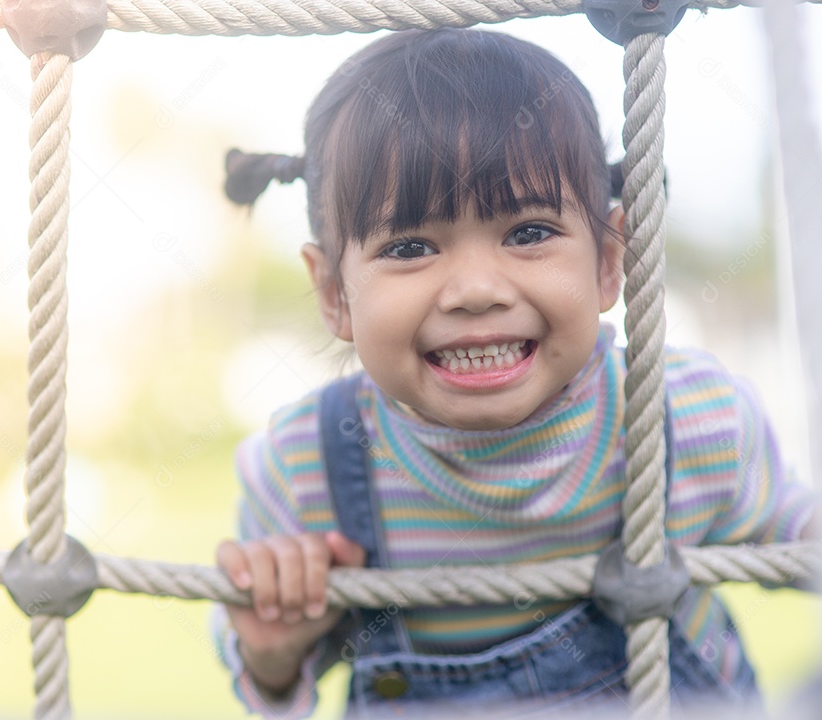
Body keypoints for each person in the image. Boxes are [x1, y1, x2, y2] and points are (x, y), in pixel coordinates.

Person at [212, 28, 815, 719]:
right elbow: (265, 676)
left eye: (528, 232)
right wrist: (272, 648)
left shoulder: (685, 416)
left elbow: (795, 537)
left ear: (608, 261)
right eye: (410, 246)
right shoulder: (309, 465)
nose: (475, 289)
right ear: (333, 294)